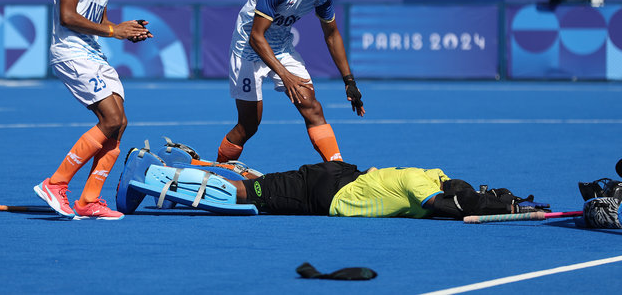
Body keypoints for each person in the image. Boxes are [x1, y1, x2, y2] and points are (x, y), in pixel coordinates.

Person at [33, 0, 152, 220]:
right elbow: (68, 17)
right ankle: (55, 184)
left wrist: (126, 30)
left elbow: (98, 21)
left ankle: (89, 201)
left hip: (93, 53)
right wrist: (114, 30)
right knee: (111, 119)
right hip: (71, 53)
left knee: (120, 122)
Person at [217, 0, 365, 167]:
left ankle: (339, 171)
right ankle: (216, 172)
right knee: (248, 126)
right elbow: (256, 37)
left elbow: (332, 35)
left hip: (281, 46)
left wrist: (349, 81)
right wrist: (286, 77)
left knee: (312, 107)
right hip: (247, 49)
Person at [228, 161, 547, 218]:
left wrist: (507, 203)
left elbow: (463, 196)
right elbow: (450, 206)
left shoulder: (433, 172)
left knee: (264, 185)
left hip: (342, 173)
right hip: (327, 194)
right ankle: (178, 181)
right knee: (249, 194)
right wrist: (507, 210)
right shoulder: (423, 188)